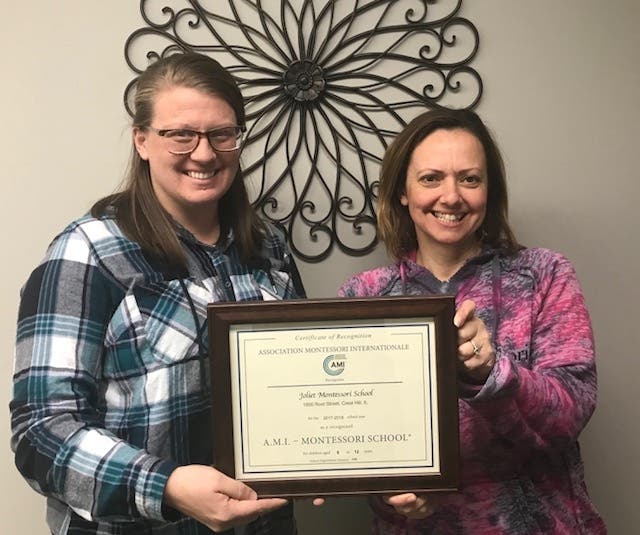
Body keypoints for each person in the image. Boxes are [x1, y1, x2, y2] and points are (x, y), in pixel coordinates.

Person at [11, 53, 305, 535]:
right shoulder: (87, 253)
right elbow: (41, 432)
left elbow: (304, 383)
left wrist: (342, 461)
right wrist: (164, 485)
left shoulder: (268, 247)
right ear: (142, 140)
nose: (204, 154)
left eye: (222, 134)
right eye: (180, 134)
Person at [338, 108, 606, 534]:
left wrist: (492, 371)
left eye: (469, 179)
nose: (451, 197)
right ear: (402, 191)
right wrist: (391, 491)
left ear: (489, 189)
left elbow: (571, 413)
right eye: (431, 178)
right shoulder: (363, 296)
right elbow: (355, 429)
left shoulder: (544, 274)